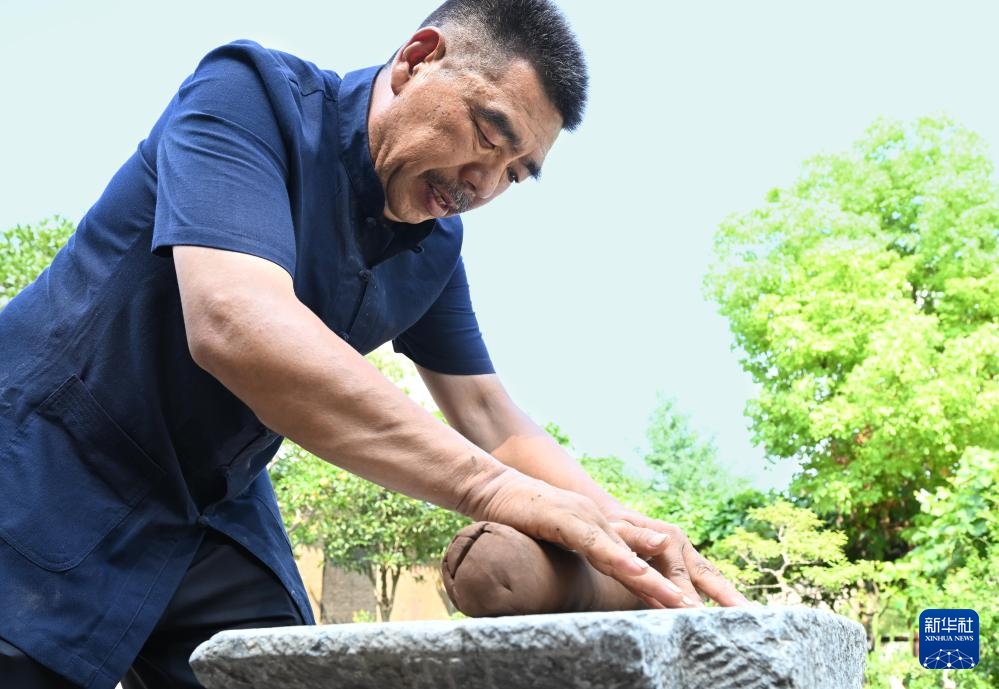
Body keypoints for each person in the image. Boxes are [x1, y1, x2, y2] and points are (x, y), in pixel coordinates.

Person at [0, 1, 748, 687]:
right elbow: (235, 322)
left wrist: (627, 532)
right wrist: (493, 491)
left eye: (515, 173)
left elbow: (488, 412)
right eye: (489, 135)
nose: (483, 183)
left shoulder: (433, 244)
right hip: (49, 458)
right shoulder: (248, 96)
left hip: (210, 504)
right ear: (417, 58)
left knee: (279, 675)